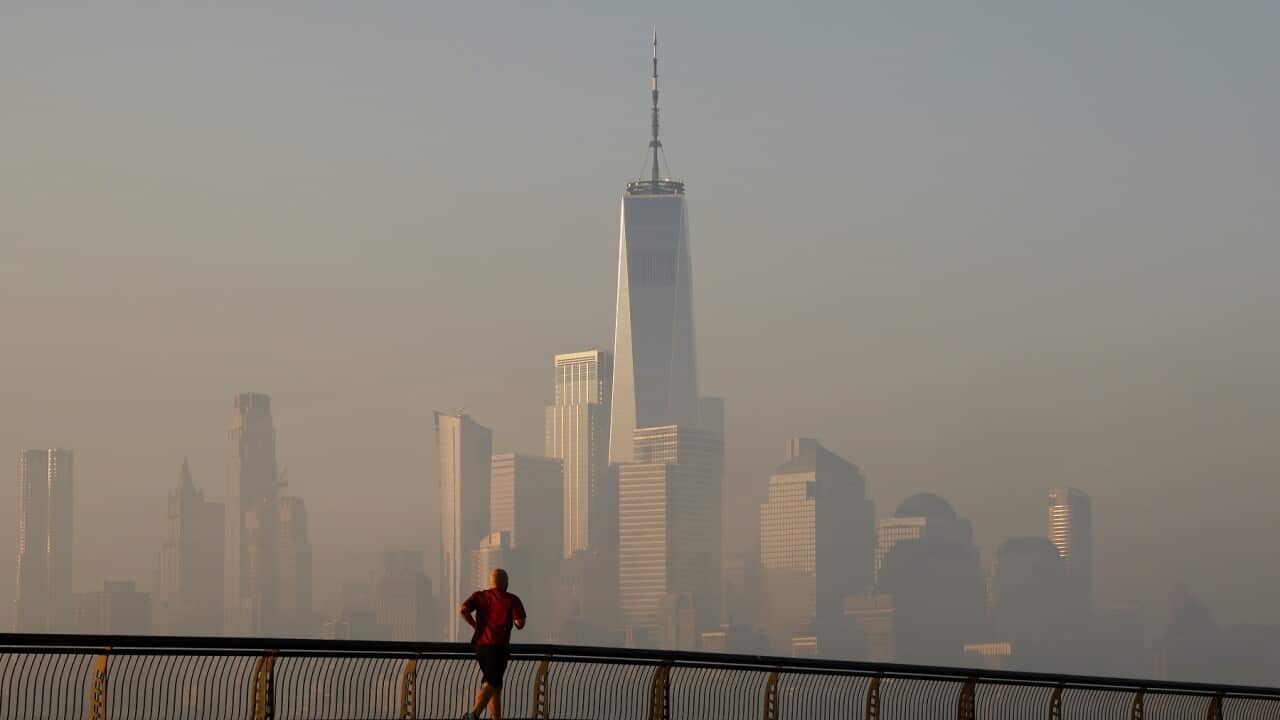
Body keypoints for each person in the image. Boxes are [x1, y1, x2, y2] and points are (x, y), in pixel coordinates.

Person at [460, 568, 526, 720]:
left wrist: (475, 625)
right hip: (498, 648)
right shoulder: (511, 599)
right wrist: (515, 621)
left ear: (491, 582)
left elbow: (463, 610)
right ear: (506, 583)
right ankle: (474, 715)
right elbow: (520, 623)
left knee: (494, 685)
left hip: (480, 647)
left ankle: (496, 718)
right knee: (491, 682)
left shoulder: (480, 596)